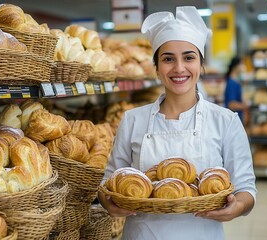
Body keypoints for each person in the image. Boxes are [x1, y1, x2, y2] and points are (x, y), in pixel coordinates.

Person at [98, 6, 256, 240]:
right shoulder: (132, 119)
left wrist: (237, 207)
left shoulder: (226, 121)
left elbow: (247, 190)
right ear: (157, 68)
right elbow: (108, 182)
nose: (179, 68)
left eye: (189, 57)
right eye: (168, 59)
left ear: (201, 65)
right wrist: (107, 202)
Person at [224, 56, 249, 124]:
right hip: (233, 121)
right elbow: (231, 104)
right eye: (241, 64)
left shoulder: (237, 81)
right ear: (236, 66)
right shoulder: (231, 83)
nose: (243, 66)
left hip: (238, 119)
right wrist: (244, 106)